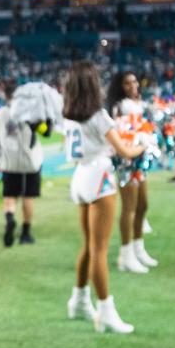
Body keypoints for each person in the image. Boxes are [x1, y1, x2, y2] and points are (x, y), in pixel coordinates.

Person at [63, 61, 146, 334]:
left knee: (88, 246)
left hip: (79, 177)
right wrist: (144, 143)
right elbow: (123, 150)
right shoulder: (98, 115)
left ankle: (78, 301)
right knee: (99, 250)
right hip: (99, 177)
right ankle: (106, 311)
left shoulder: (68, 114)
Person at [107, 71, 157, 273]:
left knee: (143, 205)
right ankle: (125, 255)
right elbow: (119, 133)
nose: (133, 86)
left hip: (139, 158)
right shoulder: (118, 107)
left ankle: (138, 248)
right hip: (126, 160)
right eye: (127, 83)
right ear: (120, 86)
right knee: (130, 207)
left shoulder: (138, 103)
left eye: (135, 82)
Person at [0, 79, 42, 247]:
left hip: (8, 162)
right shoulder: (30, 113)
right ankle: (25, 232)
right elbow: (44, 129)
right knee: (28, 197)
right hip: (29, 162)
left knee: (9, 197)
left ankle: (10, 218)